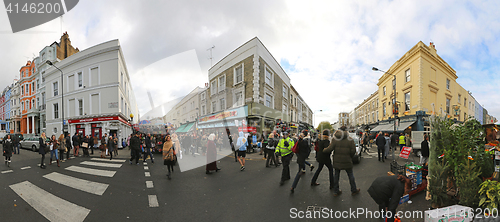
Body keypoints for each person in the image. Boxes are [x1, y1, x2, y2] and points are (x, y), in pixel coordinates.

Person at [323, 126, 360, 196]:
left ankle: (336, 191)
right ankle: (354, 190)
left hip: (337, 160)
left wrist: (323, 150)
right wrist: (350, 157)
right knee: (350, 175)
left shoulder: (335, 139)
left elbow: (330, 148)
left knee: (336, 176)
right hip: (347, 160)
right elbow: (353, 151)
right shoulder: (350, 139)